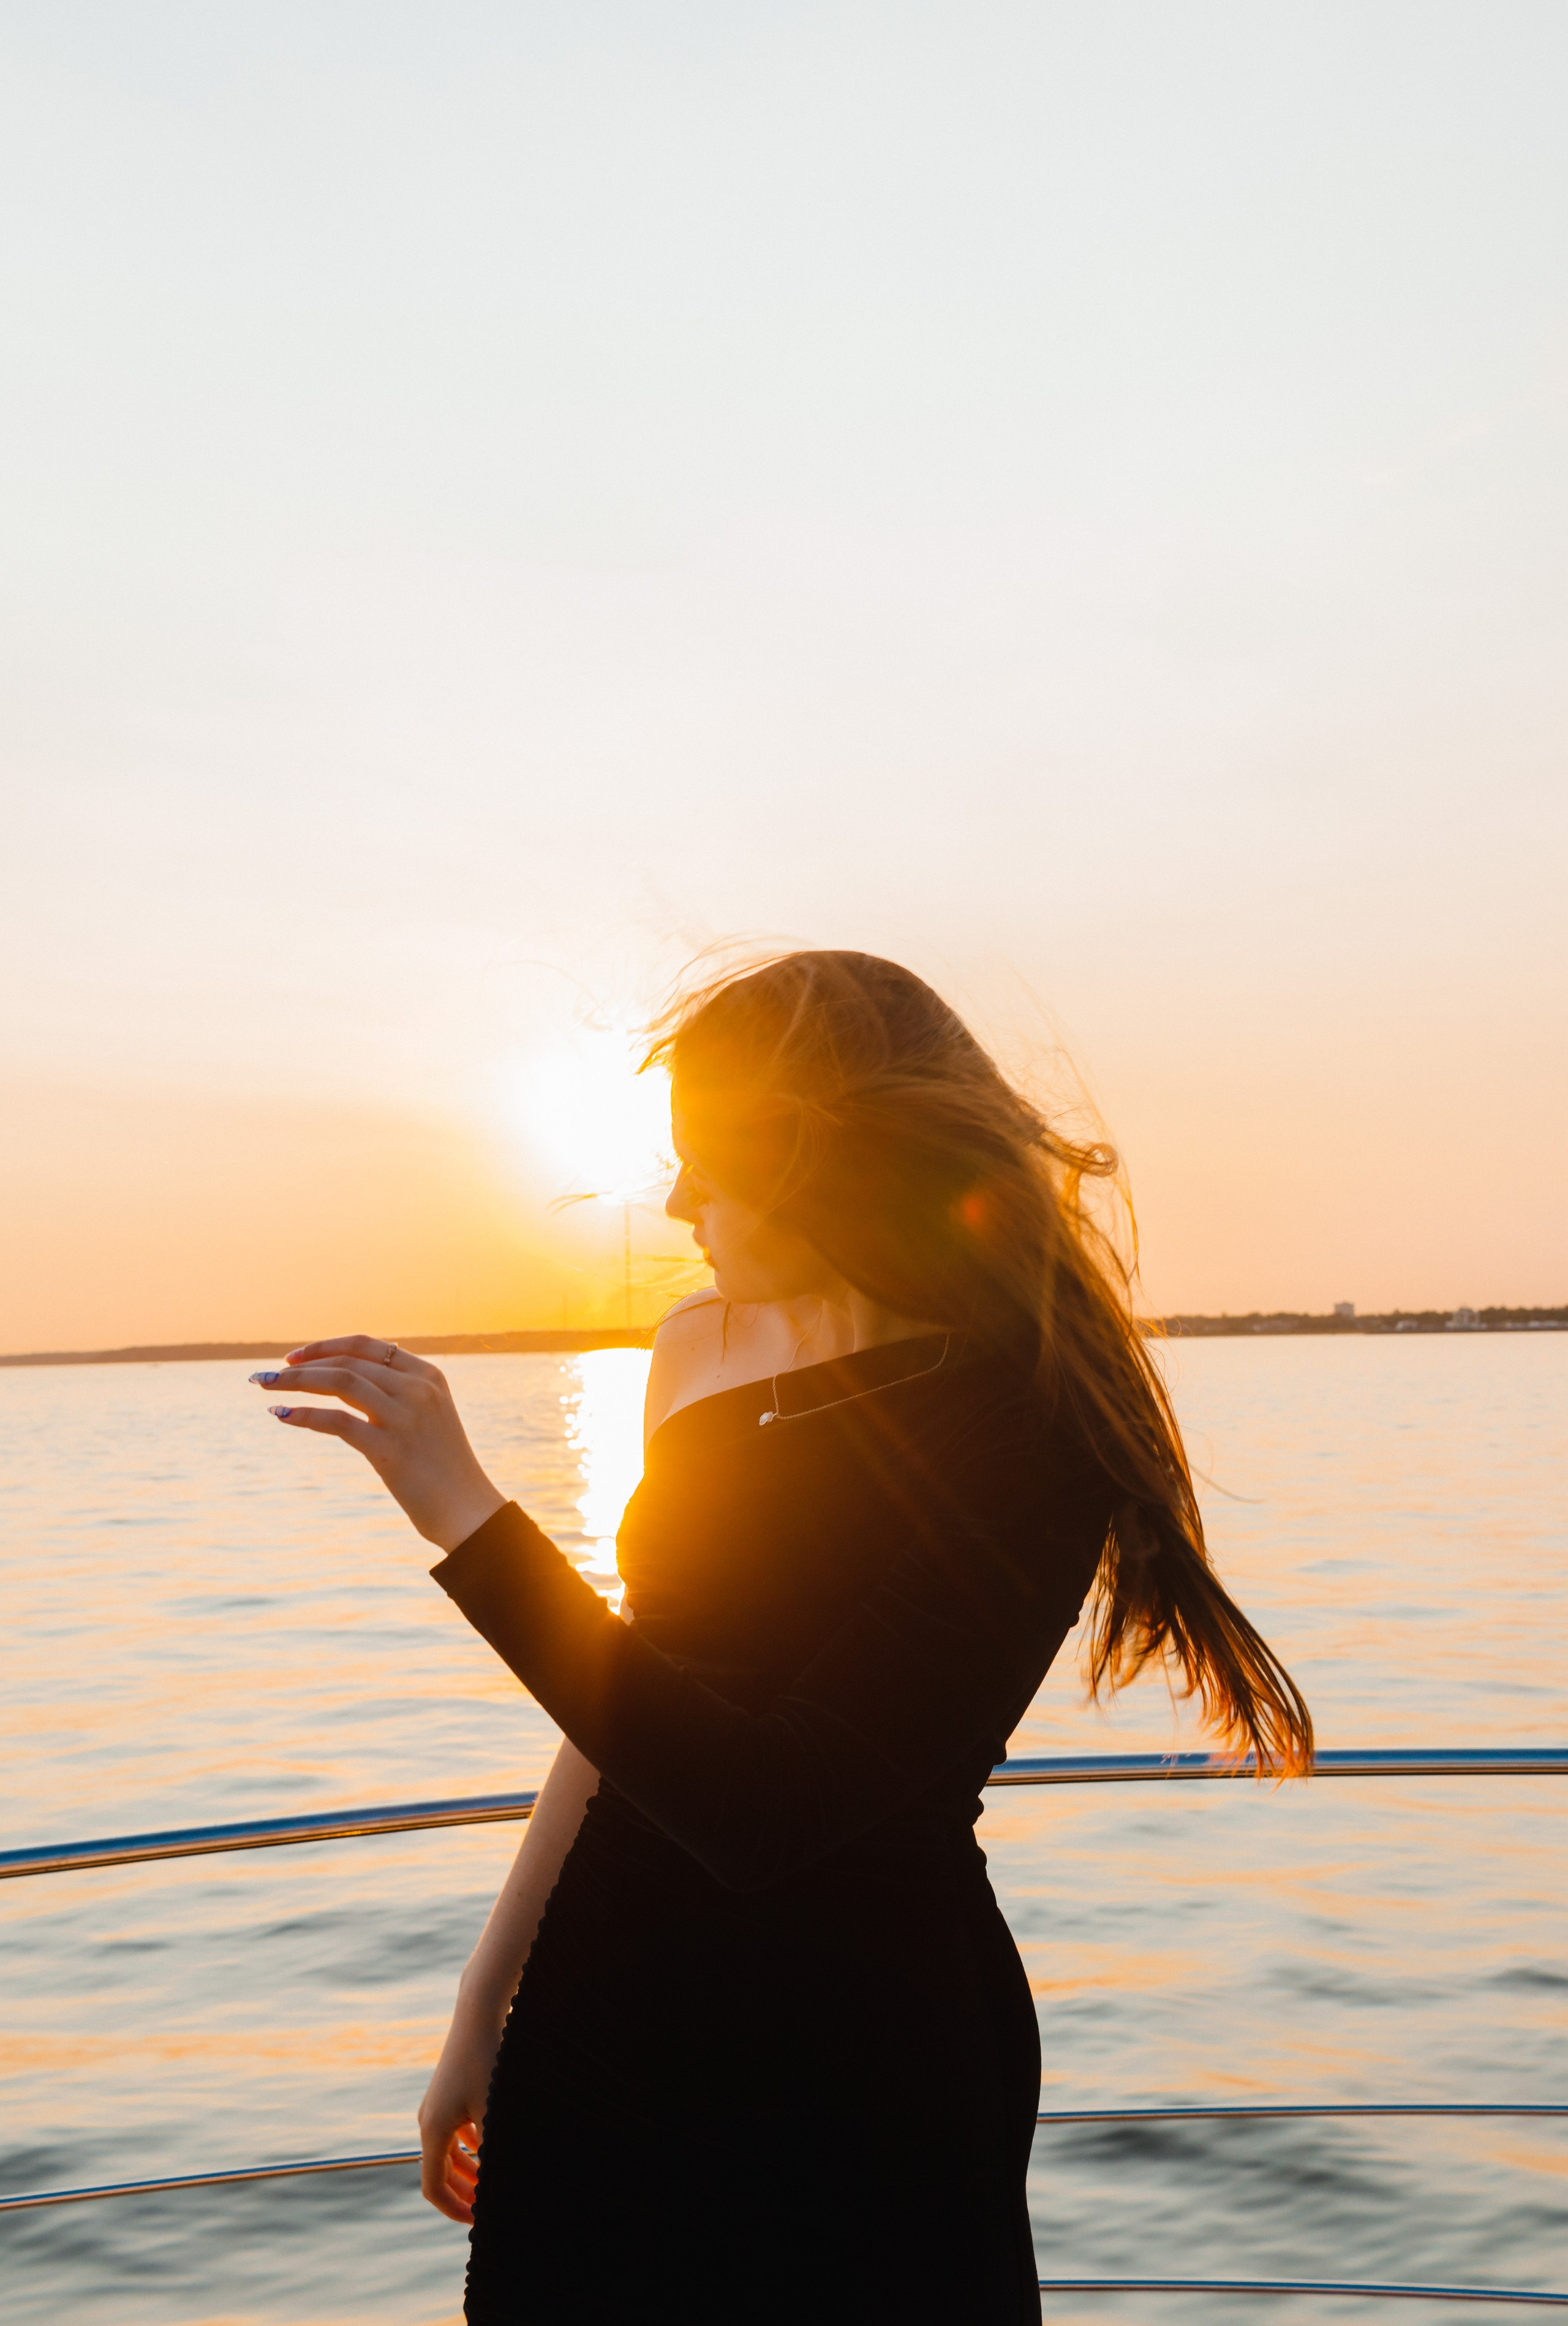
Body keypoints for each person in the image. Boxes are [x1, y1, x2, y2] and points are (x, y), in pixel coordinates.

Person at [253, 950, 1312, 2323]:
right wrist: (485, 1998)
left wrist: (466, 1514)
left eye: (705, 1163)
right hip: (607, 2015)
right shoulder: (696, 1348)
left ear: (816, 1158)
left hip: (860, 2065)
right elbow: (624, 1701)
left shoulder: (1022, 1421)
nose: (680, 1203)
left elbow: (770, 1805)